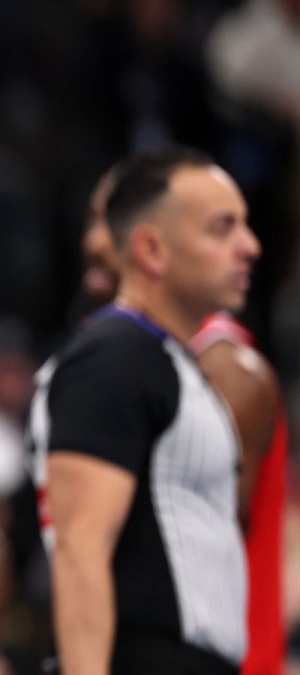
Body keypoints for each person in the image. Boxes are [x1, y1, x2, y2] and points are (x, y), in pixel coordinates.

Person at [28, 148, 260, 674]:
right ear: (152, 250)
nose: (250, 247)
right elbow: (80, 551)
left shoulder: (167, 362)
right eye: (222, 229)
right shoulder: (115, 358)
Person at [79, 160, 289, 675]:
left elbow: (195, 557)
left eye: (108, 221)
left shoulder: (222, 369)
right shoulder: (130, 357)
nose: (95, 241)